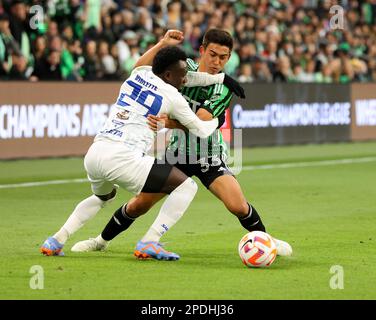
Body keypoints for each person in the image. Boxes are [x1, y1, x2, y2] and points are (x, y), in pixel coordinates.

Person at [72, 28, 292, 259]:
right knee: (139, 205)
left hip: (209, 155)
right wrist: (162, 43)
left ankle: (267, 242)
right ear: (202, 51)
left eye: (223, 57)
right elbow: (140, 68)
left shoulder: (223, 88)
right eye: (213, 54)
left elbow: (202, 122)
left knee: (237, 205)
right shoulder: (181, 68)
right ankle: (100, 241)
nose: (217, 62)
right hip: (176, 154)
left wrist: (168, 123)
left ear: (229, 57)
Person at [40, 39, 241, 258]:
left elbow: (183, 75)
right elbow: (201, 130)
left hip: (96, 152)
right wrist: (218, 119)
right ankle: (149, 241)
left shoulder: (137, 74)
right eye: (182, 75)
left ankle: (57, 240)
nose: (186, 80)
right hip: (125, 156)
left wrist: (163, 43)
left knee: (102, 197)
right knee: (187, 187)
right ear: (167, 75)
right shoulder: (173, 96)